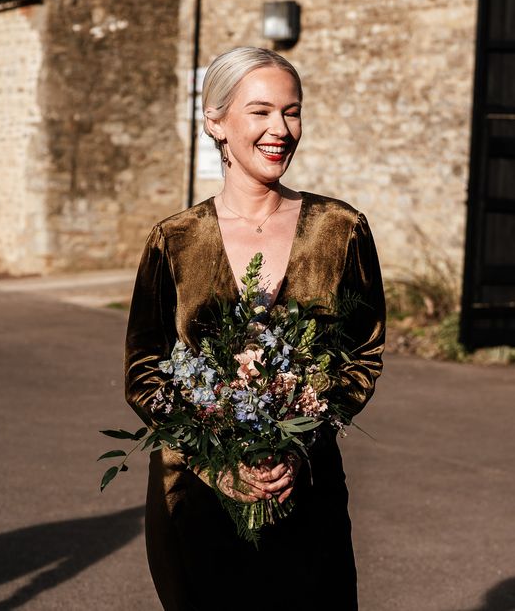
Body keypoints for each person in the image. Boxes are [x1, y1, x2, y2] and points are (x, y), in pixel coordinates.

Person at [124, 46, 385, 611]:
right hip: (194, 493)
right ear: (215, 122)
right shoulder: (173, 240)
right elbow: (146, 371)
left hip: (305, 486)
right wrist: (213, 462)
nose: (280, 130)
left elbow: (362, 355)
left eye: (292, 112)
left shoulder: (341, 230)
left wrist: (296, 439)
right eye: (260, 112)